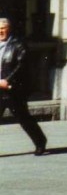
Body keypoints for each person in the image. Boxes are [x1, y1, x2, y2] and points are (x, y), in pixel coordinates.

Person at [0, 16, 48, 156]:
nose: (0, 32)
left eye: (3, 29)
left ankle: (40, 142)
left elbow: (22, 66)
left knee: (24, 119)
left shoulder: (18, 44)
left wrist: (7, 80)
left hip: (12, 90)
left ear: (9, 29)